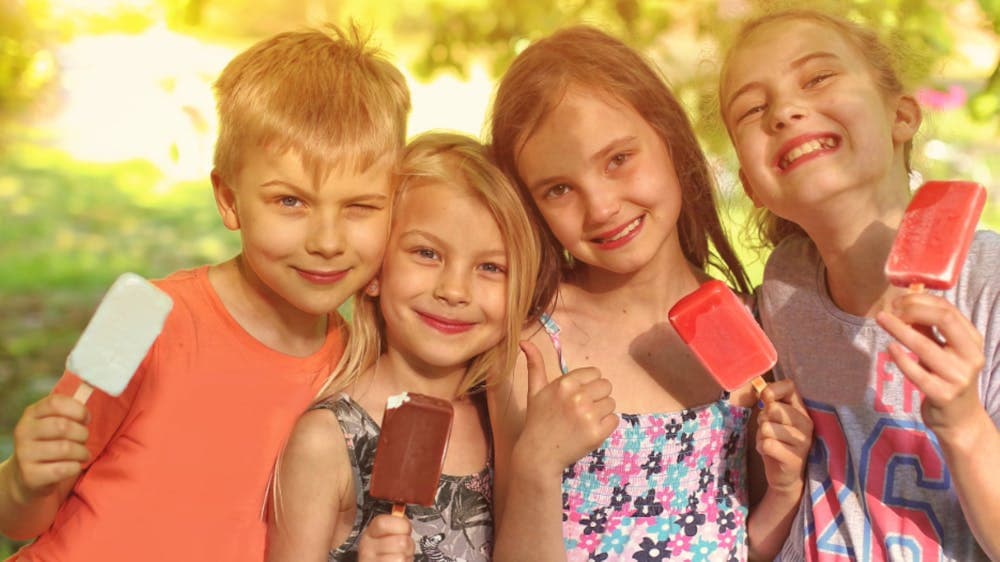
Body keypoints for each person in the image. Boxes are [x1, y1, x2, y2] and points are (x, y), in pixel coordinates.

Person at [0, 24, 410, 561]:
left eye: (360, 207)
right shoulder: (149, 320)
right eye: (290, 201)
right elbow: (23, 517)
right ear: (229, 199)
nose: (327, 242)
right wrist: (22, 481)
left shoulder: (360, 372)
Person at [487, 25, 814, 562]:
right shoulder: (533, 349)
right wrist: (535, 469)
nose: (601, 208)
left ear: (670, 139)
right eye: (559, 189)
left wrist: (783, 490)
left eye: (618, 159)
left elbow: (738, 547)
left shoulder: (751, 323)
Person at [718, 8, 1000, 561]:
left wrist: (964, 424)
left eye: (818, 77)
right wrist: (782, 478)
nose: (785, 111)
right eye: (752, 109)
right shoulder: (782, 287)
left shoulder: (987, 286)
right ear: (751, 184)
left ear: (902, 116)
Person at [265, 132, 542, 562]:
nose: (454, 290)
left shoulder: (502, 423)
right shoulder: (328, 441)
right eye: (427, 253)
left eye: (491, 267)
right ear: (376, 269)